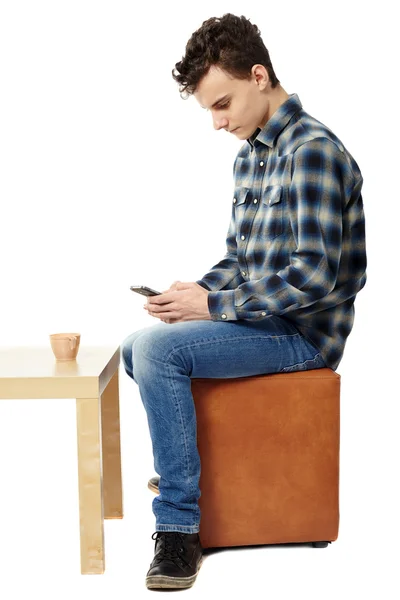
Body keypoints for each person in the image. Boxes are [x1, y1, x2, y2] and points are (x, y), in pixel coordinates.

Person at [121, 12, 367, 590]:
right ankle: (189, 468)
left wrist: (210, 310)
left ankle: (180, 526)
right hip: (263, 322)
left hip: (302, 335)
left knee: (158, 353)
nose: (216, 122)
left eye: (223, 103)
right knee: (137, 346)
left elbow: (312, 277)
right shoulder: (251, 156)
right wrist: (200, 291)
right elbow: (242, 260)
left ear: (259, 76)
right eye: (210, 108)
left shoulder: (312, 152)